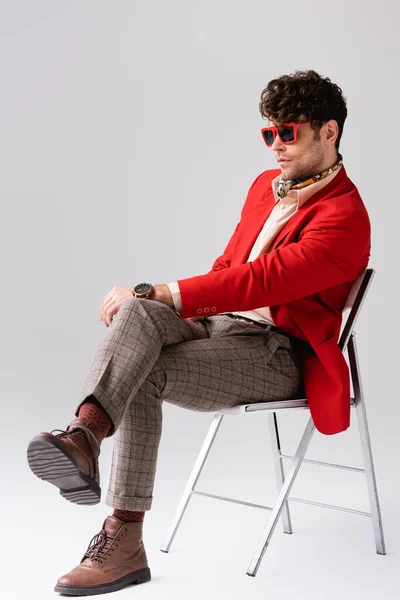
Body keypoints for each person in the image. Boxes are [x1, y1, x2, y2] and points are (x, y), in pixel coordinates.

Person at [27, 69, 370, 596]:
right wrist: (157, 303)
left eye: (289, 132)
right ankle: (85, 435)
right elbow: (227, 266)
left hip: (275, 352)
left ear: (329, 133)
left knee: (145, 351)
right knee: (137, 317)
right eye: (268, 133)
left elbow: (261, 281)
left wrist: (156, 289)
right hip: (217, 324)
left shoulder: (346, 216)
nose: (275, 145)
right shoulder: (264, 187)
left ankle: (123, 538)